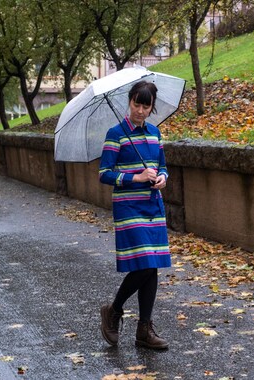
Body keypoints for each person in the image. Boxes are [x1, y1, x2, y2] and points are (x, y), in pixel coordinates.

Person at [98, 81, 171, 350]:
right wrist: (135, 176)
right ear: (129, 102)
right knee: (146, 265)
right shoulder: (115, 134)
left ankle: (143, 330)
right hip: (129, 208)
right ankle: (115, 310)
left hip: (153, 206)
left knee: (151, 265)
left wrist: (162, 177)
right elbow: (104, 174)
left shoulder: (155, 134)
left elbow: (163, 166)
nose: (140, 110)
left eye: (145, 105)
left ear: (152, 108)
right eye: (136, 104)